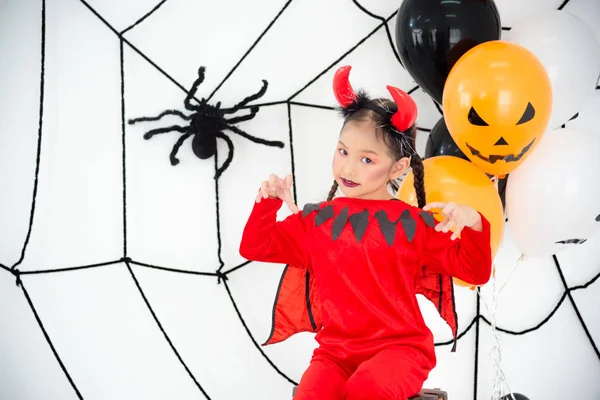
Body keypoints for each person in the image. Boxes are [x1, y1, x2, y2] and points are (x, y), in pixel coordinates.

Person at [239, 65, 492, 400]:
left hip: (401, 350)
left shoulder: (413, 225)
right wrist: (267, 202)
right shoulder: (317, 222)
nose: (347, 168)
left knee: (366, 391)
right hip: (335, 354)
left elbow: (475, 271)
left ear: (398, 167)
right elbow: (255, 247)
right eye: (343, 151)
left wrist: (474, 223)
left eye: (367, 160)